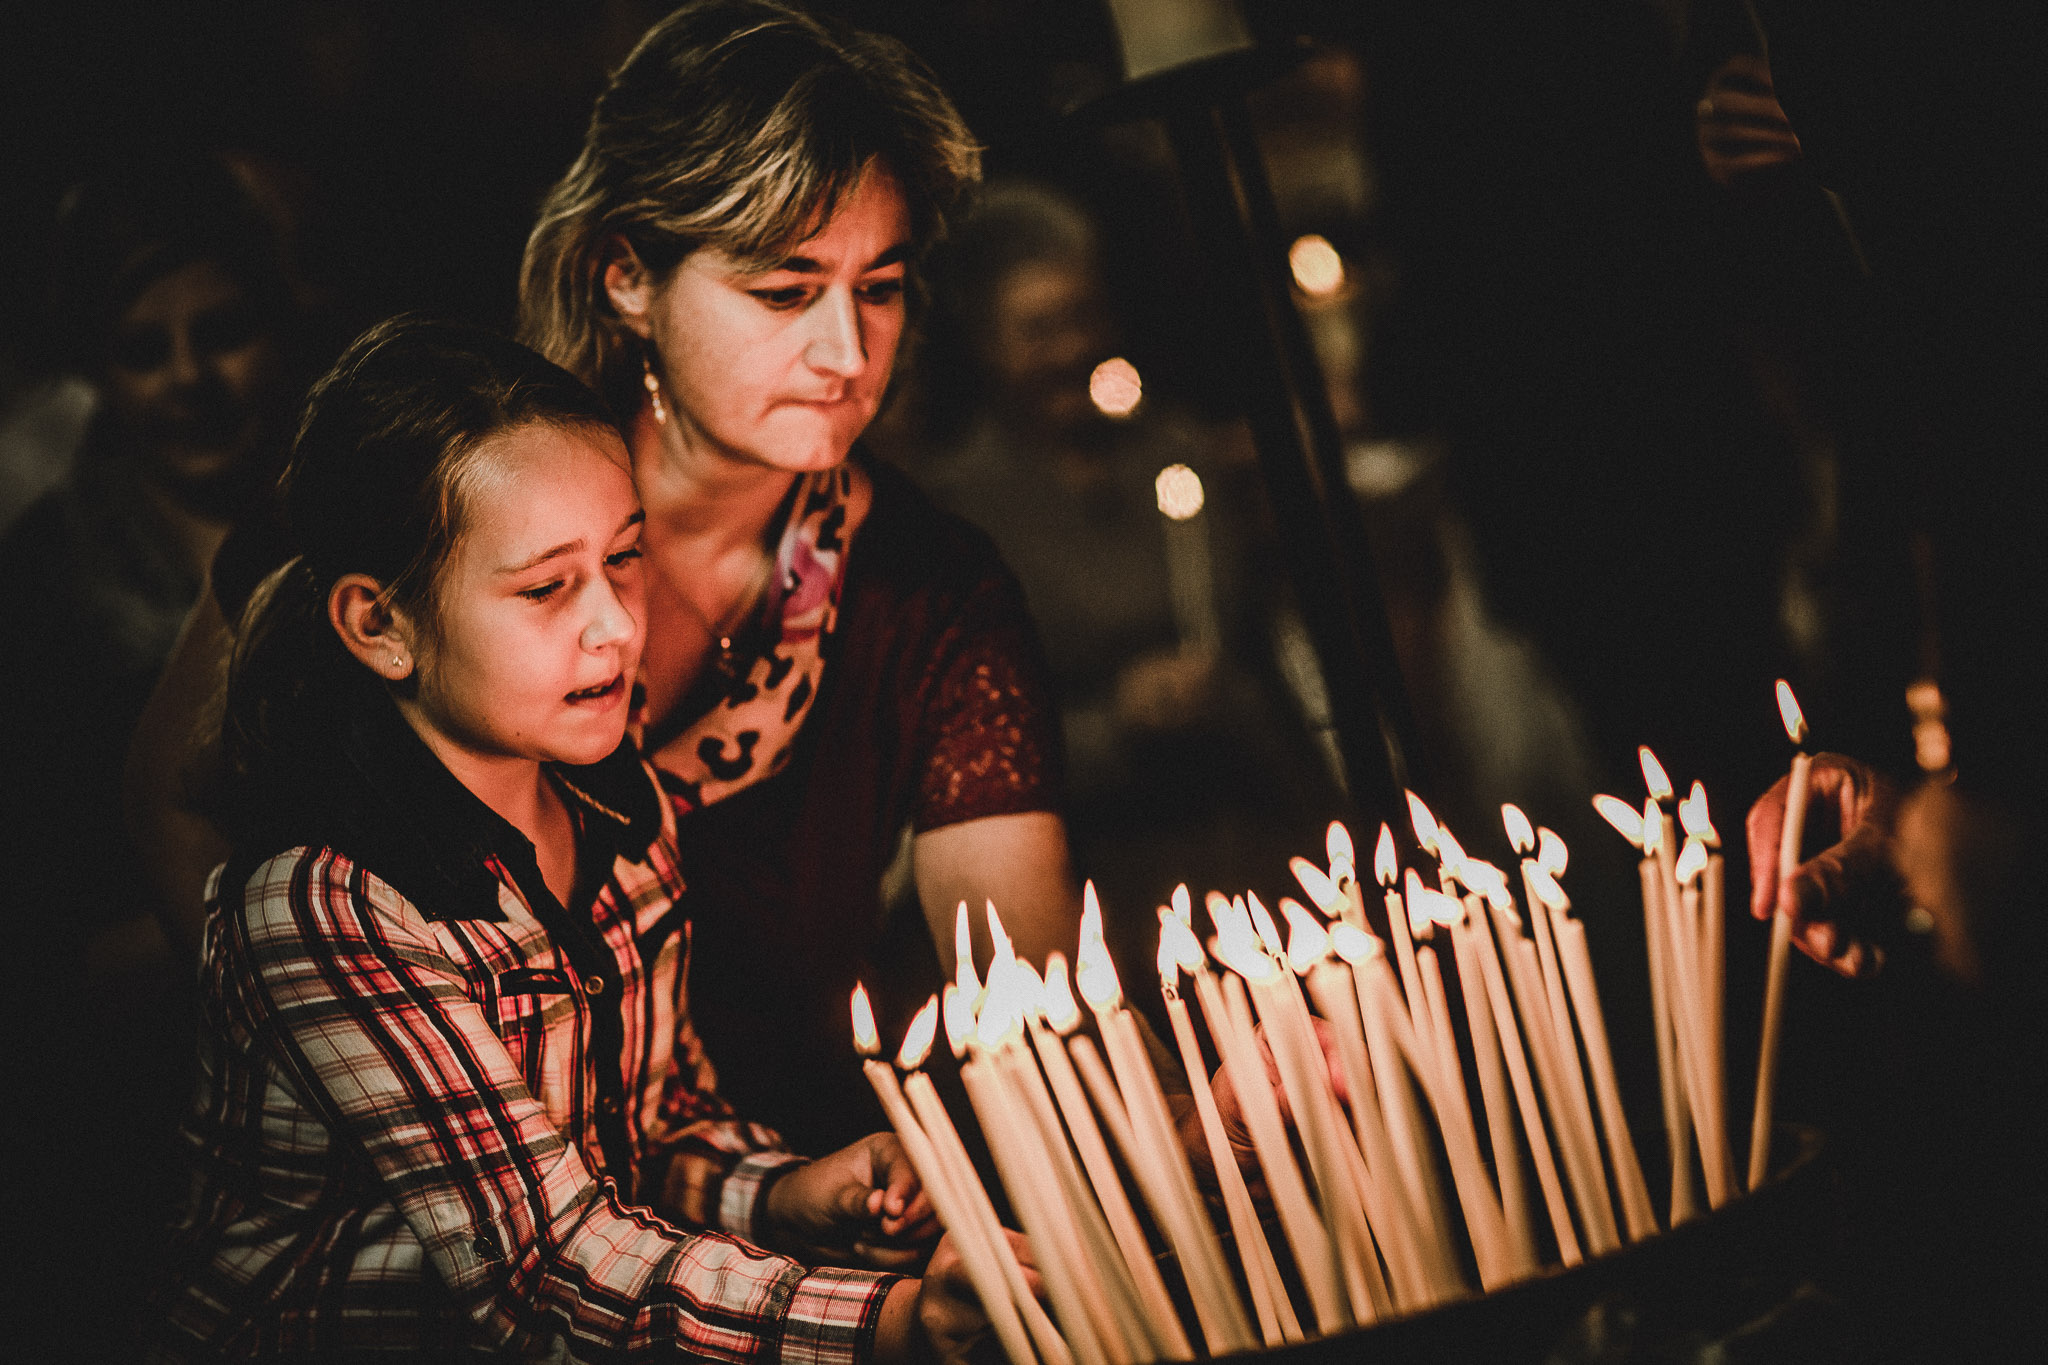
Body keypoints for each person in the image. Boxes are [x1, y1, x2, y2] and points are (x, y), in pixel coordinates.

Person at [132, 0, 1085, 1160]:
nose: (846, 353)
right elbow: (174, 791)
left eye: (876, 287)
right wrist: (336, 1093)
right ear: (627, 275)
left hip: (766, 1197)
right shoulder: (423, 469)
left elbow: (1033, 1000)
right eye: (784, 292)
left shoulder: (931, 595)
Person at [144, 315, 989, 1362]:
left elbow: (648, 1134)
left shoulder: (620, 808)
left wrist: (785, 1193)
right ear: (380, 625)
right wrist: (890, 1322)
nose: (618, 625)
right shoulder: (325, 900)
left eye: (623, 559)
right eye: (546, 587)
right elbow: (544, 1269)